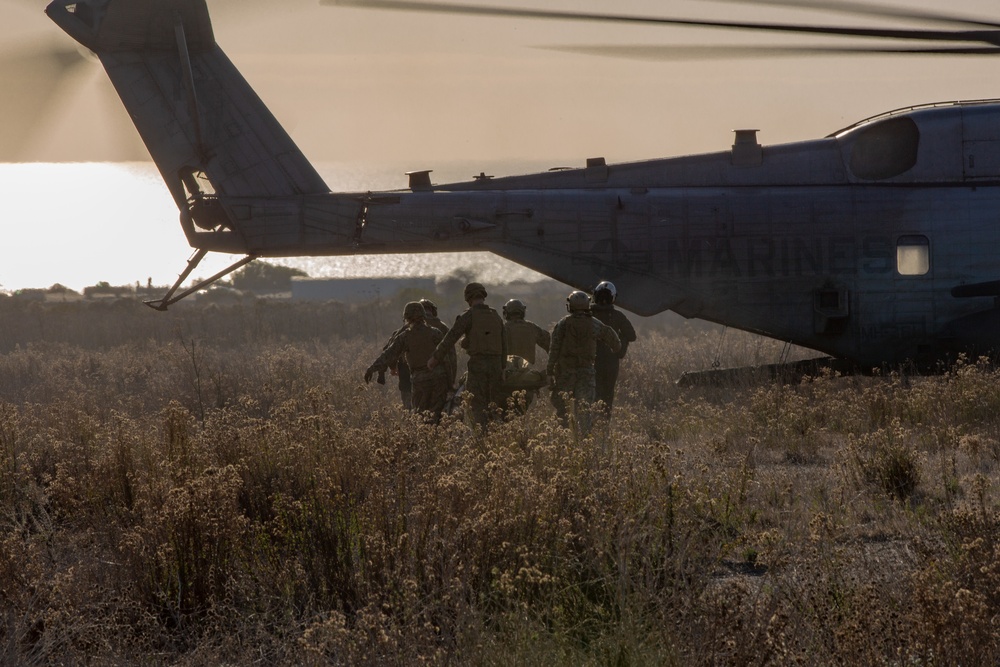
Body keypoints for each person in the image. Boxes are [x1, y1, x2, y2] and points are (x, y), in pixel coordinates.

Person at [429, 282, 506, 428]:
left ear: (468, 298)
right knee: (494, 405)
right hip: (496, 366)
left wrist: (435, 357)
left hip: (478, 366)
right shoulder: (495, 315)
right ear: (483, 296)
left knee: (477, 406)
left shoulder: (469, 315)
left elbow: (451, 337)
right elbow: (504, 342)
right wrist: (503, 368)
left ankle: (482, 438)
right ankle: (497, 436)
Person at [547, 290, 621, 434]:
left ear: (570, 306)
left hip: (566, 373)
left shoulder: (563, 324)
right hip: (586, 372)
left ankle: (563, 437)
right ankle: (584, 440)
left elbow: (554, 349)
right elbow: (613, 339)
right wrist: (616, 349)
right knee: (584, 409)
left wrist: (550, 371)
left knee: (563, 409)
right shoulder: (594, 324)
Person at [365, 302, 449, 423]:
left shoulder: (405, 336)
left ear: (407, 318)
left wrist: (372, 368)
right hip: (439, 379)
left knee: (421, 417)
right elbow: (448, 359)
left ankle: (426, 440)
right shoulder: (436, 333)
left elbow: (389, 354)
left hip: (420, 380)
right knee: (437, 416)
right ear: (423, 316)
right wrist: (449, 383)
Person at [590, 280, 636, 416]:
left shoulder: (588, 315)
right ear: (613, 298)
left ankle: (589, 424)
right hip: (611, 361)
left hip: (590, 360)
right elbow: (631, 336)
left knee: (590, 393)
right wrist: (619, 344)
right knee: (607, 395)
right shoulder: (618, 316)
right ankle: (604, 424)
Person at [501, 298, 551, 413]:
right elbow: (551, 345)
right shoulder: (532, 328)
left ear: (506, 313)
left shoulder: (502, 329)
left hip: (506, 380)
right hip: (527, 381)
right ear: (522, 312)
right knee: (520, 414)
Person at [420, 298, 457, 392]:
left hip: (418, 376)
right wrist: (451, 380)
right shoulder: (443, 327)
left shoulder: (412, 328)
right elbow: (452, 355)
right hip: (440, 375)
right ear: (433, 311)